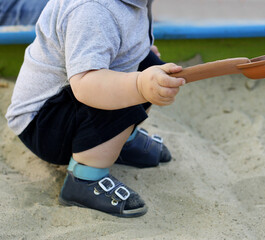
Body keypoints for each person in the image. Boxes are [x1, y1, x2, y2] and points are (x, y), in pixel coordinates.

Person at [5, 0, 185, 218]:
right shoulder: (92, 10)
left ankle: (119, 141)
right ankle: (84, 178)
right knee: (124, 90)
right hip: (43, 125)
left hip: (67, 101)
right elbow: (87, 85)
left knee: (146, 65)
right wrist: (138, 84)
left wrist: (140, 56)